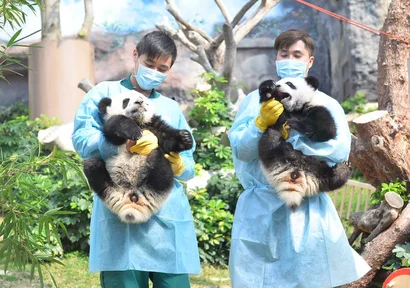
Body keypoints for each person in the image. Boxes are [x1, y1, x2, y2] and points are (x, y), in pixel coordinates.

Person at [228, 29, 370, 287]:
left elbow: (338, 151)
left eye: (297, 54)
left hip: (306, 208)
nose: (290, 59)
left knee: (307, 278)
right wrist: (260, 124)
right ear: (276, 58)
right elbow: (241, 150)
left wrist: (292, 143)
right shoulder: (253, 102)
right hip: (260, 207)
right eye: (284, 54)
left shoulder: (326, 103)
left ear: (310, 61)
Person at [72, 31, 200, 288]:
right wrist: (118, 142)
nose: (154, 71)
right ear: (135, 55)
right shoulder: (103, 93)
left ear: (169, 70)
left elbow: (189, 165)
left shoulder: (170, 108)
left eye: (161, 68)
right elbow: (82, 141)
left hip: (165, 215)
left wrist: (179, 164)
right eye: (149, 64)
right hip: (120, 219)